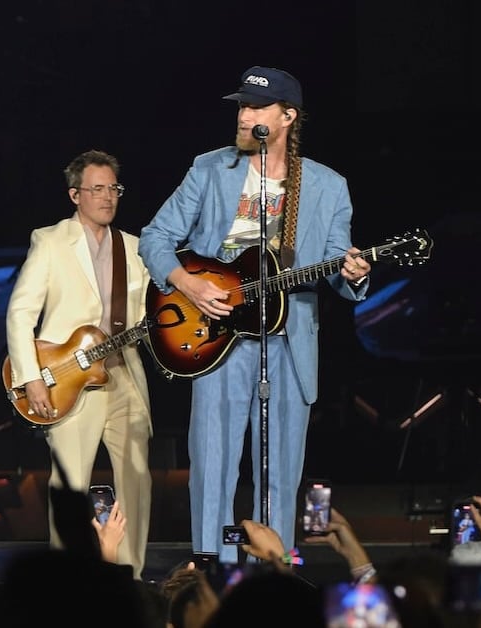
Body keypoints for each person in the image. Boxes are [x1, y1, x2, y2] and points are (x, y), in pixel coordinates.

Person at [137, 66, 370, 563]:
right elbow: (156, 237)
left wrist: (352, 273)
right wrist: (187, 283)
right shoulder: (209, 169)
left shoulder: (328, 186)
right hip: (217, 335)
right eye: (242, 106)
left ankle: (275, 568)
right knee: (213, 463)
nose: (244, 116)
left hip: (288, 340)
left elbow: (336, 264)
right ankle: (211, 568)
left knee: (281, 469)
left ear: (287, 117)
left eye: (256, 107)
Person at [4, 149, 154, 578]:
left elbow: (147, 316)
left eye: (113, 189)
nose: (108, 197)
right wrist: (31, 377)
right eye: (97, 189)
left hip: (124, 373)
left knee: (136, 480)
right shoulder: (51, 241)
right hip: (68, 379)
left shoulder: (135, 248)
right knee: (70, 483)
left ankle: (129, 578)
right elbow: (20, 313)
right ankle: (68, 582)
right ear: (75, 195)